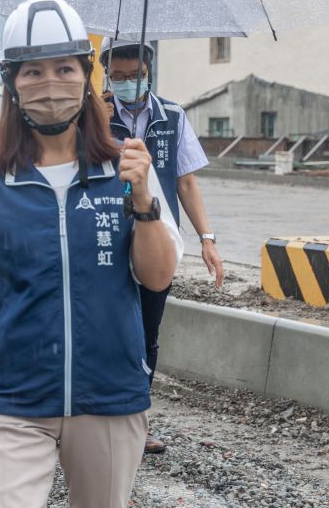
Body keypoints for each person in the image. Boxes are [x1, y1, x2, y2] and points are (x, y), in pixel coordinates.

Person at [0, 0, 183, 508]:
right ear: (11, 83)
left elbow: (158, 277)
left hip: (109, 396)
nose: (49, 84)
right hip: (12, 397)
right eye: (32, 71)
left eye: (63, 68)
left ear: (86, 75)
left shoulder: (127, 169)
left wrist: (143, 201)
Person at [100, 37, 222, 455]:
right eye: (117, 77)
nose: (125, 84)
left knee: (148, 331)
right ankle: (99, 416)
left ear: (148, 72)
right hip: (106, 236)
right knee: (108, 327)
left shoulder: (171, 116)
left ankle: (136, 418)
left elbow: (186, 180)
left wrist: (207, 239)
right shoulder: (94, 117)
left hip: (159, 237)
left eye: (133, 76)